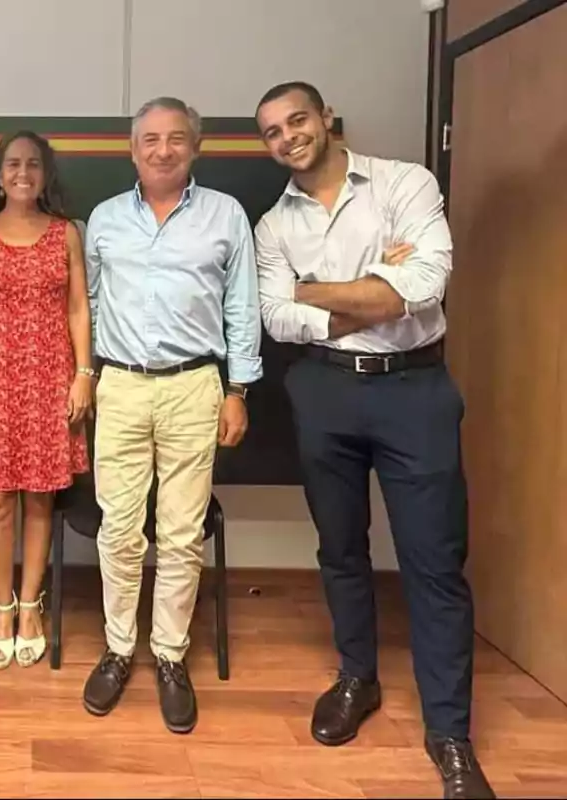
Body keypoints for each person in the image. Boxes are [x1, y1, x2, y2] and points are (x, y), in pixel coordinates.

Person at [253, 81, 494, 800]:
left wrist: (318, 289)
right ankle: (357, 677)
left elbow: (421, 286)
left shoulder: (404, 183)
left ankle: (449, 734)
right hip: (323, 391)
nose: (288, 136)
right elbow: (276, 317)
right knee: (341, 549)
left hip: (414, 390)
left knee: (434, 561)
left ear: (325, 119)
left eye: (297, 120)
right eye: (271, 131)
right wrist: (373, 288)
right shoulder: (272, 226)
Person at [81, 97, 262, 732]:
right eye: (150, 139)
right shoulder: (103, 220)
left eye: (175, 138)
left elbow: (242, 305)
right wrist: (94, 373)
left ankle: (169, 655)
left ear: (195, 147)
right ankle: (117, 648)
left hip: (195, 387)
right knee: (119, 530)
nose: (162, 149)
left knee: (182, 534)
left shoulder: (225, 215)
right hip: (122, 387)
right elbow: (91, 305)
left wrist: (238, 388)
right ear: (133, 150)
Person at [0, 131, 92, 669]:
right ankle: (2, 607)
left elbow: (79, 309)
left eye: (33, 163)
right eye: (13, 164)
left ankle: (31, 606)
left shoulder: (64, 236)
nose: (23, 172)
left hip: (51, 379)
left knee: (39, 496)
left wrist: (83, 374)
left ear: (46, 172)